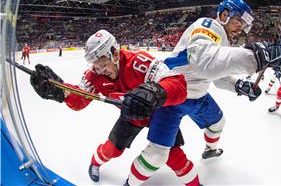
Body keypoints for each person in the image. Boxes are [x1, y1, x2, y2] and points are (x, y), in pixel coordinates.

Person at [124, 0, 281, 185]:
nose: (240, 28)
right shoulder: (207, 25)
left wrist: (238, 85)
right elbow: (204, 63)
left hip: (198, 95)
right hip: (172, 95)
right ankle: (130, 183)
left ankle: (210, 150)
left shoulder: (222, 40)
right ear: (224, 14)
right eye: (238, 22)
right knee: (157, 155)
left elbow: (215, 74)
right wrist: (255, 58)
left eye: (243, 25)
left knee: (218, 123)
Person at [30, 30, 203, 186]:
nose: (100, 71)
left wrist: (154, 92)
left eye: (103, 65)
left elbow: (178, 84)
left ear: (114, 53)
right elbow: (81, 99)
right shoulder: (95, 75)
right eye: (96, 67)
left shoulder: (140, 63)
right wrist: (62, 92)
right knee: (112, 150)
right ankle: (95, 163)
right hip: (130, 116)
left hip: (158, 113)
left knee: (175, 156)